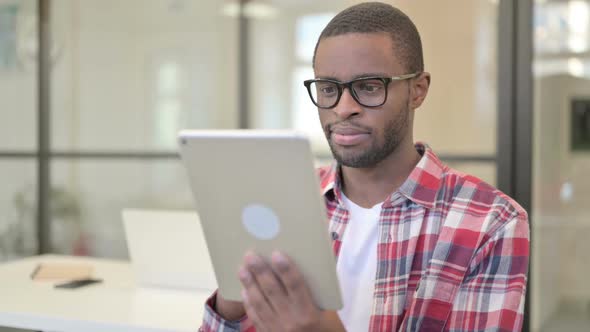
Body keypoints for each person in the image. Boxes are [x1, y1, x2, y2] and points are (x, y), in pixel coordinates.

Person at [200, 2, 530, 331]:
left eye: (369, 87)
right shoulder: (285, 202)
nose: (344, 108)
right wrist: (231, 310)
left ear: (418, 90)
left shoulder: (491, 221)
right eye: (328, 89)